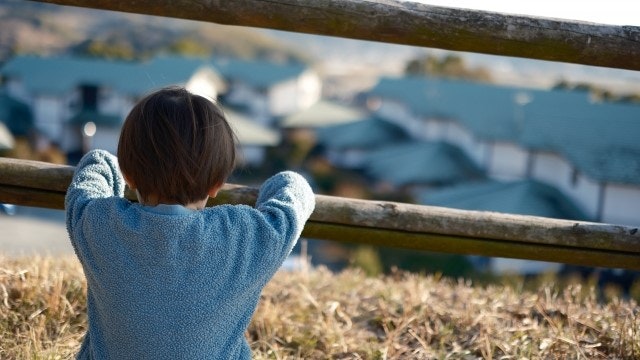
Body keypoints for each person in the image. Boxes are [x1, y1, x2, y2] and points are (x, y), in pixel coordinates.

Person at [65, 87, 315, 359]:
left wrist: (106, 161)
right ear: (217, 184)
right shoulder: (243, 236)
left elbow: (88, 182)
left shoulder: (99, 226)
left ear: (129, 176)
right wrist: (286, 179)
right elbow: (292, 200)